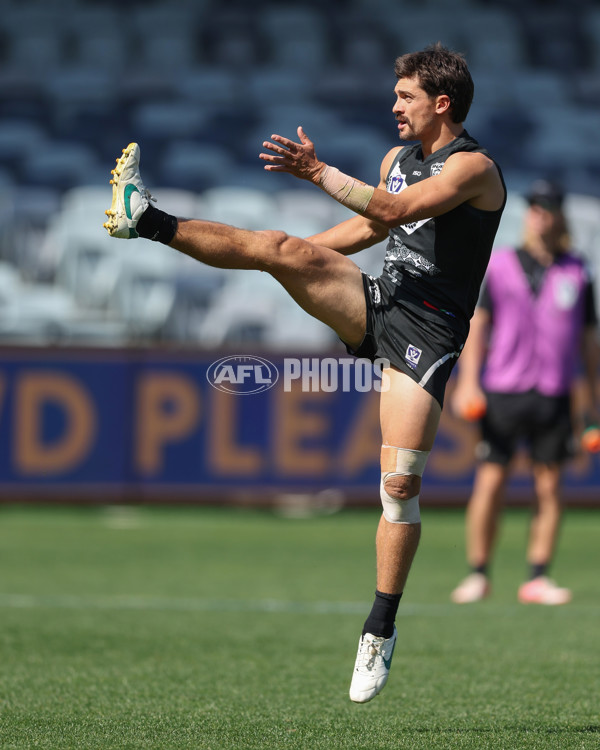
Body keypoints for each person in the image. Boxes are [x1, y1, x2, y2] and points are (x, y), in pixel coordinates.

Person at [103, 44, 506, 702]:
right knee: (277, 246)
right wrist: (287, 259)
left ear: (442, 103)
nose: (393, 106)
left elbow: (397, 213)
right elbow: (372, 229)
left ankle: (380, 627)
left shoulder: (476, 168)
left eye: (404, 96)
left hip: (428, 335)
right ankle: (143, 217)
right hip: (378, 301)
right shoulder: (394, 160)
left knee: (400, 482)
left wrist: (316, 170)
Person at [450, 179, 599, 606]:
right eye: (535, 207)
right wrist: (469, 380)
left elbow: (588, 340)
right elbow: (480, 327)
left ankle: (537, 575)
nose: (540, 215)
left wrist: (591, 398)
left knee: (550, 485)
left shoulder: (578, 270)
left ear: (559, 215)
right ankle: (478, 572)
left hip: (553, 389)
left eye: (547, 207)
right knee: (491, 480)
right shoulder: (500, 265)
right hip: (504, 386)